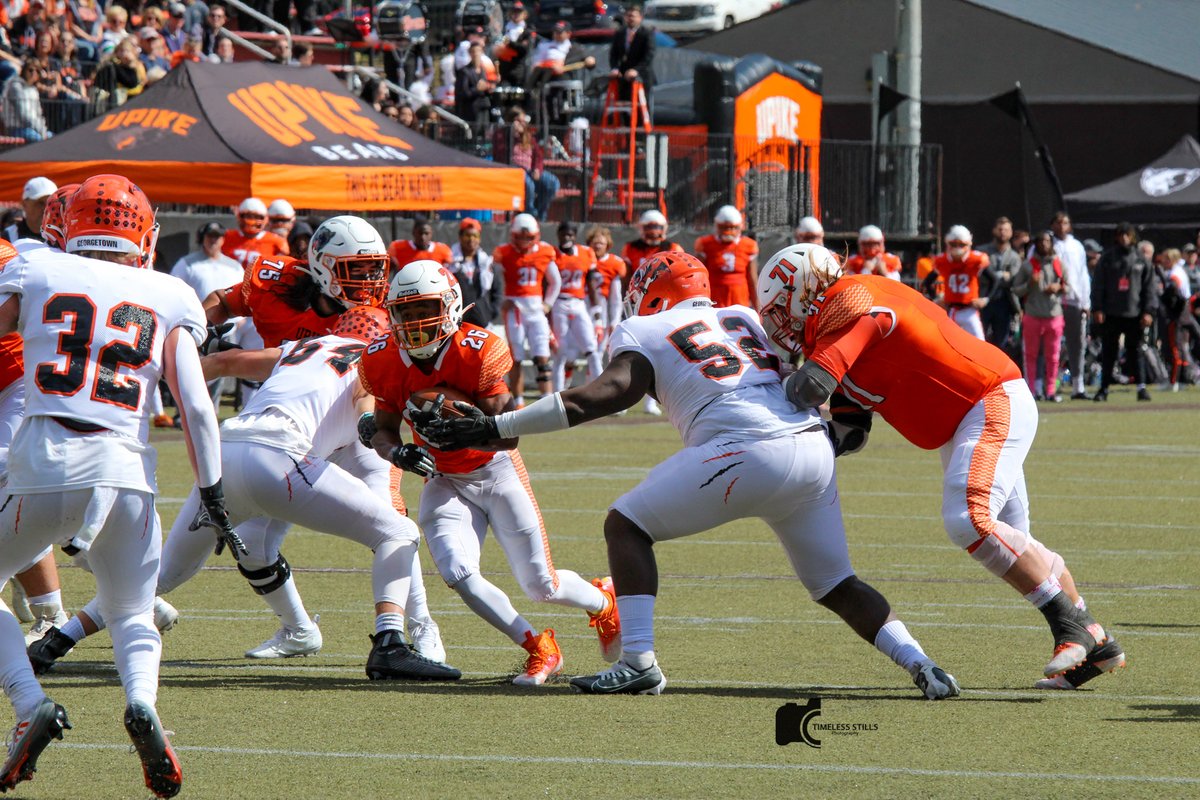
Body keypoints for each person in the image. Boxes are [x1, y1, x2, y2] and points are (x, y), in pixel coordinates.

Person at [417, 251, 960, 699]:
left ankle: (639, 662)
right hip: (811, 448)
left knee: (625, 525)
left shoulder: (646, 326)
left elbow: (603, 396)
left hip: (743, 449)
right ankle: (923, 665)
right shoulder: (747, 318)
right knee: (836, 583)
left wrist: (495, 424)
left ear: (653, 291)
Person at [755, 243, 1123, 691]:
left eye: (779, 310)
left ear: (804, 289)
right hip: (964, 420)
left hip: (987, 399)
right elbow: (850, 430)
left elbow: (810, 388)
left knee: (968, 518)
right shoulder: (836, 330)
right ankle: (1096, 643)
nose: (780, 323)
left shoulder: (851, 299)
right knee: (1016, 540)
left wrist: (760, 394)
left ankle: (1074, 623)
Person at [0, 174, 233, 798]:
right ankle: (144, 705)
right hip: (127, 471)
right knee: (133, 612)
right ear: (144, 232)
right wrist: (212, 494)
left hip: (44, 459)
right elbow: (197, 408)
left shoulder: (38, 268)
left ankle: (29, 702)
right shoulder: (170, 290)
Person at [360, 260, 620, 686]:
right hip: (443, 478)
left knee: (542, 585)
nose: (414, 323)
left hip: (495, 470)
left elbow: (506, 437)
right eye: (404, 314)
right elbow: (384, 430)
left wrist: (463, 429)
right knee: (458, 574)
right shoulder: (384, 358)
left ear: (449, 306)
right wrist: (400, 454)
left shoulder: (478, 348)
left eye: (423, 309)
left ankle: (604, 602)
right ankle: (540, 646)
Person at [199, 215, 446, 658]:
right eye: (359, 270)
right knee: (252, 542)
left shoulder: (371, 314)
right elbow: (223, 301)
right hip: (295, 426)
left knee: (390, 518)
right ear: (322, 267)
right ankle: (297, 629)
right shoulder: (276, 282)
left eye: (376, 269)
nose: (372, 281)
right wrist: (199, 327)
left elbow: (352, 372)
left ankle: (420, 627)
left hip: (353, 418)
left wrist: (230, 356)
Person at [622, 209, 683, 415]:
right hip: (638, 306)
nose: (653, 232)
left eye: (657, 227)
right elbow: (626, 278)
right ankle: (625, 399)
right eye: (649, 227)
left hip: (664, 306)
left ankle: (652, 401)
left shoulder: (672, 248)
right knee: (633, 352)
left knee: (659, 352)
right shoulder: (631, 248)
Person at [494, 214, 560, 403]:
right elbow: (494, 281)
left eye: (527, 237)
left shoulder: (545, 251)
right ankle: (519, 401)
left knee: (542, 356)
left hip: (536, 309)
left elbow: (555, 282)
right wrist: (502, 300)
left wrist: (548, 304)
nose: (524, 241)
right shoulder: (503, 252)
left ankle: (546, 399)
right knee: (516, 357)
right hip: (514, 308)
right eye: (520, 237)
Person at [1091, 222, 1157, 403]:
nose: (1124, 238)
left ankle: (1141, 387)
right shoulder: (1108, 258)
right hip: (1111, 312)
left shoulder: (1140, 260)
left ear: (1133, 236)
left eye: (1127, 235)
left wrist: (1148, 311)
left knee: (1136, 351)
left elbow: (1149, 288)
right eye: (1121, 235)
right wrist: (1097, 308)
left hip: (1134, 313)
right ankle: (1103, 388)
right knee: (1109, 352)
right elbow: (1098, 285)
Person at [1013, 231, 1066, 402]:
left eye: (1047, 241)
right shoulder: (1028, 265)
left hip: (1054, 315)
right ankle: (1031, 391)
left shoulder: (1059, 264)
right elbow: (1016, 289)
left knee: (1053, 356)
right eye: (1041, 241)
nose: (1044, 244)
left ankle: (1050, 390)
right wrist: (1030, 284)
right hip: (1033, 315)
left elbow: (1069, 286)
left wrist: (1058, 288)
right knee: (1030, 355)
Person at [551, 221, 602, 391]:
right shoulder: (552, 254)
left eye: (570, 234)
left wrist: (597, 314)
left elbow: (592, 285)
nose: (567, 237)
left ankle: (602, 391)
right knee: (560, 352)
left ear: (575, 236)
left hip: (579, 304)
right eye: (564, 234)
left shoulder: (586, 253)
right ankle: (557, 394)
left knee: (592, 349)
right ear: (558, 235)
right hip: (559, 303)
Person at [491, 107, 559, 221]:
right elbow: (500, 154)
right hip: (513, 170)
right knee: (528, 185)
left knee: (552, 183)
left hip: (529, 170)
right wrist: (511, 136)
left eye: (523, 121)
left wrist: (537, 169)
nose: (521, 124)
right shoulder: (500, 135)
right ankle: (530, 213)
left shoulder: (528, 137)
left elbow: (538, 156)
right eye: (518, 120)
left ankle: (540, 213)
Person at [1051, 213, 1091, 399]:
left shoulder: (1076, 246)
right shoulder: (1046, 245)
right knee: (1052, 346)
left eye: (1065, 222)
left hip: (1074, 300)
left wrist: (1085, 301)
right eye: (1058, 223)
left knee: (1077, 344)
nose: (1061, 226)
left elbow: (1083, 274)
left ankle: (1078, 386)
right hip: (1052, 302)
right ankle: (1049, 385)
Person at [694, 205, 758, 309]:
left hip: (740, 300)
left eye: (732, 227)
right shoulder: (705, 244)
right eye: (724, 227)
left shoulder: (749, 245)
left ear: (739, 226)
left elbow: (752, 279)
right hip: (713, 301)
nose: (728, 231)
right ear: (717, 226)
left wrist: (758, 309)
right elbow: (698, 278)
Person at [930, 225, 989, 340]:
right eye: (954, 244)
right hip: (951, 310)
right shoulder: (942, 261)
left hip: (969, 310)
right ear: (948, 243)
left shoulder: (976, 260)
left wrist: (985, 299)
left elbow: (994, 280)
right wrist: (937, 299)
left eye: (961, 244)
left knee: (980, 344)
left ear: (968, 244)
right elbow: (928, 282)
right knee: (947, 343)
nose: (957, 248)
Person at [977, 216, 1022, 351]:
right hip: (983, 300)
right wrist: (1002, 275)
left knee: (1001, 343)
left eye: (1006, 230)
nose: (1003, 232)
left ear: (1011, 232)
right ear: (994, 231)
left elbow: (1014, 278)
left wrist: (993, 276)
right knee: (978, 339)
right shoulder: (982, 251)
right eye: (1000, 229)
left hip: (1004, 302)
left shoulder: (1015, 256)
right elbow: (979, 275)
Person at [447, 218, 501, 328]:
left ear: (479, 238)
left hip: (483, 322)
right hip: (457, 323)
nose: (471, 239)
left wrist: (491, 312)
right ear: (460, 237)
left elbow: (497, 291)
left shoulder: (486, 263)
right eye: (467, 235)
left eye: (475, 236)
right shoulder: (450, 263)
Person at [221, 197, 289, 269]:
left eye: (256, 217)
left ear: (265, 218)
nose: (251, 221)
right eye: (248, 216)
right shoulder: (226, 236)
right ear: (240, 216)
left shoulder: (277, 241)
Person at [586, 225, 626, 344]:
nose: (597, 246)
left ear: (607, 245)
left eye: (601, 243)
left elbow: (616, 299)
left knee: (598, 349)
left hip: (601, 304)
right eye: (595, 243)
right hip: (581, 303)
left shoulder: (614, 263)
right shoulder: (584, 258)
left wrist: (615, 321)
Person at [609, 4, 655, 107]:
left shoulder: (646, 33)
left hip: (641, 76)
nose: (631, 19)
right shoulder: (620, 33)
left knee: (642, 107)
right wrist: (615, 68)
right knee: (624, 105)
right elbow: (614, 54)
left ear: (640, 18)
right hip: (624, 75)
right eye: (628, 16)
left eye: (633, 16)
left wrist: (636, 70)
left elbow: (649, 55)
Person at [1, 60, 51, 142]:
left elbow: (38, 114)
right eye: (30, 70)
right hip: (16, 128)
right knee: (39, 140)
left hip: (33, 128)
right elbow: (24, 115)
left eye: (37, 71)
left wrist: (43, 130)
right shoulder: (16, 86)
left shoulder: (33, 90)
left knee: (54, 137)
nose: (33, 73)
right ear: (24, 71)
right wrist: (42, 132)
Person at [388, 216, 453, 275]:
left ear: (431, 233)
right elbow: (386, 271)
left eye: (426, 233)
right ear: (413, 232)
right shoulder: (399, 247)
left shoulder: (442, 250)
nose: (423, 237)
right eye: (420, 233)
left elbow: (450, 274)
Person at [454, 41, 495, 127]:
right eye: (473, 51)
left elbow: (486, 89)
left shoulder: (483, 71)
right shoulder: (464, 71)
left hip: (484, 107)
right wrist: (477, 89)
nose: (476, 54)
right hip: (471, 110)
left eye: (478, 51)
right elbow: (462, 92)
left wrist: (488, 88)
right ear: (469, 53)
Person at [3, 177, 55, 244]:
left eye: (50, 203)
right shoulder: (9, 236)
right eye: (40, 203)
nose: (46, 208)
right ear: (24, 204)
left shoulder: (64, 237)